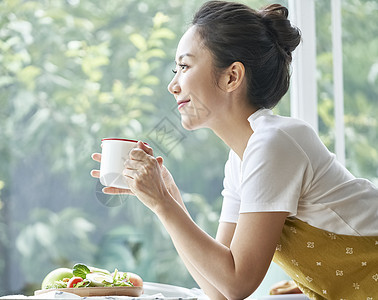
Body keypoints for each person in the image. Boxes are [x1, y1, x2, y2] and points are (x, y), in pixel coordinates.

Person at [91, 1, 378, 299]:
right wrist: (168, 196)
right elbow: (219, 290)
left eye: (185, 66)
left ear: (232, 77)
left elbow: (237, 283)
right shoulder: (241, 159)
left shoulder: (274, 142)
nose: (172, 85)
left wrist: (163, 203)